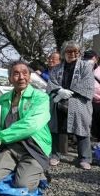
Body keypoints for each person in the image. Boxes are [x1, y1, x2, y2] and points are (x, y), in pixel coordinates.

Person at [0, 60, 51, 191]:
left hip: (34, 147)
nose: (21, 77)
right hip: (12, 146)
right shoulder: (3, 99)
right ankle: (22, 168)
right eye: (16, 74)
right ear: (10, 79)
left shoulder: (41, 97)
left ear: (29, 76)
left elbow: (32, 125)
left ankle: (39, 172)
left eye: (25, 73)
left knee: (23, 185)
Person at [47, 41, 94, 170]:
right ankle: (55, 155)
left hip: (79, 102)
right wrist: (59, 91)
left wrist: (70, 92)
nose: (72, 54)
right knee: (55, 129)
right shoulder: (57, 68)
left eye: (75, 51)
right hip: (59, 101)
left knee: (82, 129)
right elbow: (51, 82)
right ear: (64, 53)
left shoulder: (85, 67)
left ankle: (84, 158)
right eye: (69, 51)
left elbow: (88, 85)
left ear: (79, 53)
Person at [83, 50, 100, 146]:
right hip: (89, 102)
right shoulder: (82, 70)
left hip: (98, 102)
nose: (89, 60)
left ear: (96, 59)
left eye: (91, 58)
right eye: (86, 58)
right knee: (93, 125)